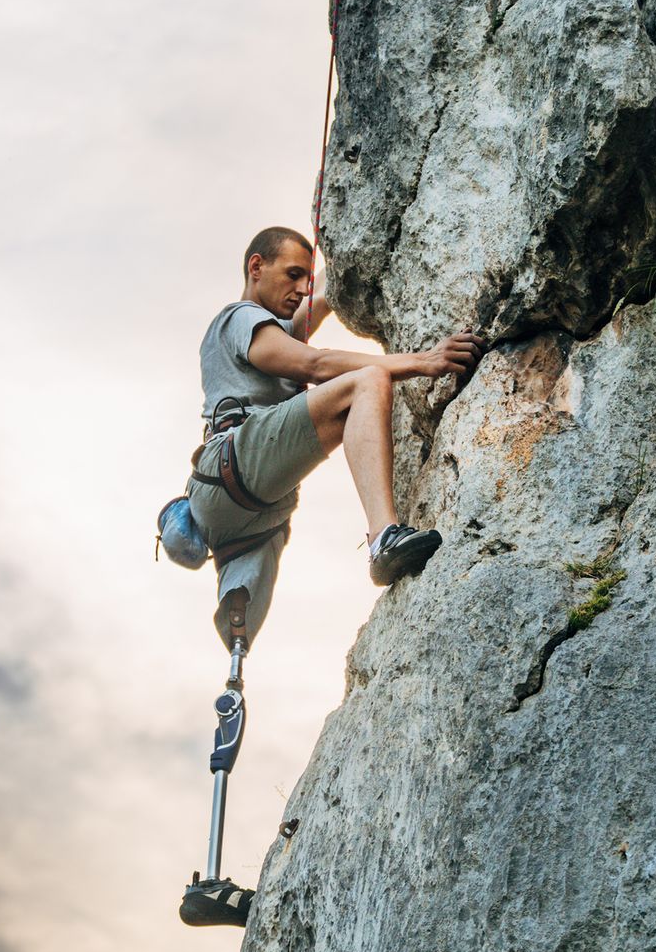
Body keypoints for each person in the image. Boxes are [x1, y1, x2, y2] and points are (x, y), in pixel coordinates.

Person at [190, 225, 485, 649]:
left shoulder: (275, 326)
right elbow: (313, 363)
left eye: (305, 279)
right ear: (256, 267)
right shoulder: (241, 319)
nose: (300, 289)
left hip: (238, 502)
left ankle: (236, 659)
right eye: (292, 275)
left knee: (247, 596)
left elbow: (320, 297)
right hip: (236, 459)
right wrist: (424, 360)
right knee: (367, 382)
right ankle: (383, 535)